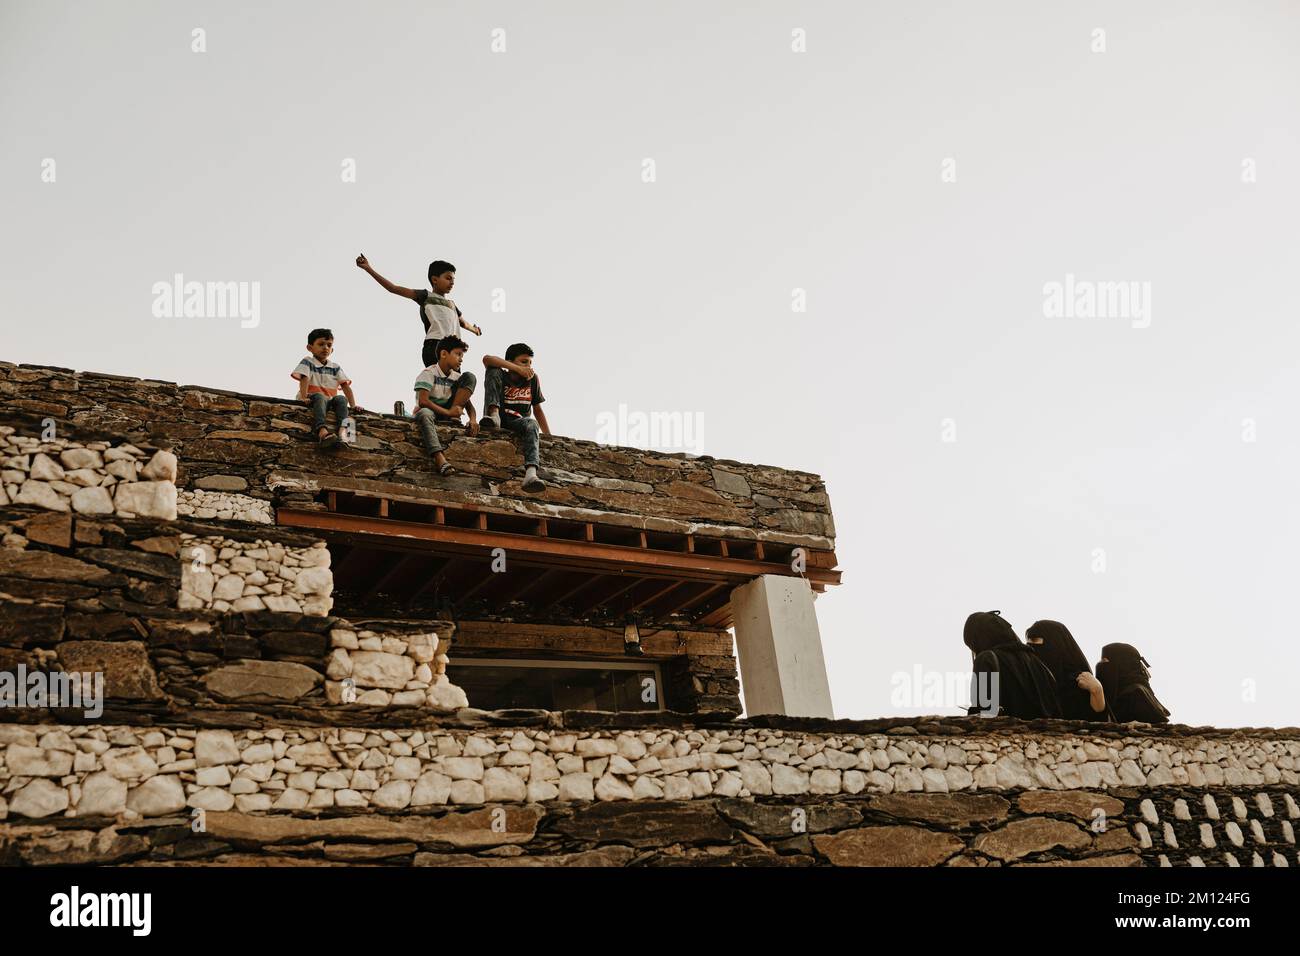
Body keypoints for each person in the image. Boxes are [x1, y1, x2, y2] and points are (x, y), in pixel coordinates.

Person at [355, 253, 483, 371]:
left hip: (453, 349)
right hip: (435, 345)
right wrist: (368, 268)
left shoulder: (452, 305)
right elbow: (393, 288)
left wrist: (475, 330)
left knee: (454, 387)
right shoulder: (426, 296)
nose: (452, 282)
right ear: (435, 279)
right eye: (448, 278)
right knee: (437, 380)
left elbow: (463, 323)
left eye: (453, 280)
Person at [963, 610, 1061, 719]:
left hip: (1004, 732)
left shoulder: (986, 659)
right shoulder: (1038, 662)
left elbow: (982, 710)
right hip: (1042, 732)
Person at [480, 343, 550, 493]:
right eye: (524, 361)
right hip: (498, 417)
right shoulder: (502, 374)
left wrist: (549, 435)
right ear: (510, 362)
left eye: (530, 362)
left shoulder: (533, 380)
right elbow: (487, 359)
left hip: (518, 422)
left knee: (532, 423)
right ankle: (493, 415)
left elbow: (537, 409)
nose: (528, 366)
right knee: (492, 370)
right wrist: (517, 369)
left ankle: (531, 474)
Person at [413, 336, 478, 476]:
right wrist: (449, 413)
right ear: (443, 354)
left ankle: (453, 419)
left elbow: (469, 405)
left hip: (447, 412)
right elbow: (423, 401)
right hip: (429, 410)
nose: (461, 359)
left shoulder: (456, 378)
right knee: (424, 413)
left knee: (470, 376)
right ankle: (439, 458)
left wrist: (473, 419)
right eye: (457, 354)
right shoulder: (428, 374)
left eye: (462, 355)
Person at [1025, 620, 1110, 720]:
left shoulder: (1079, 682)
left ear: (1055, 643)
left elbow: (1097, 723)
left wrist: (1097, 691)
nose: (1029, 646)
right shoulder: (1029, 678)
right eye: (1028, 641)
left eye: (1035, 640)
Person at [291, 328, 361, 448]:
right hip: (312, 398)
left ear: (332, 350)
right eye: (321, 344)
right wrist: (303, 397)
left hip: (329, 401)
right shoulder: (308, 362)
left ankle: (343, 432)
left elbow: (345, 386)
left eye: (329, 345)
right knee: (320, 396)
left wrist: (353, 406)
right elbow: (304, 378)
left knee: (341, 399)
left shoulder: (335, 367)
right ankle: (321, 430)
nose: (325, 348)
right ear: (310, 348)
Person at [1096, 643, 1171, 724]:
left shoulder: (1136, 694)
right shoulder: (1118, 694)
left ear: (1123, 664)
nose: (1100, 665)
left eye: (1104, 661)